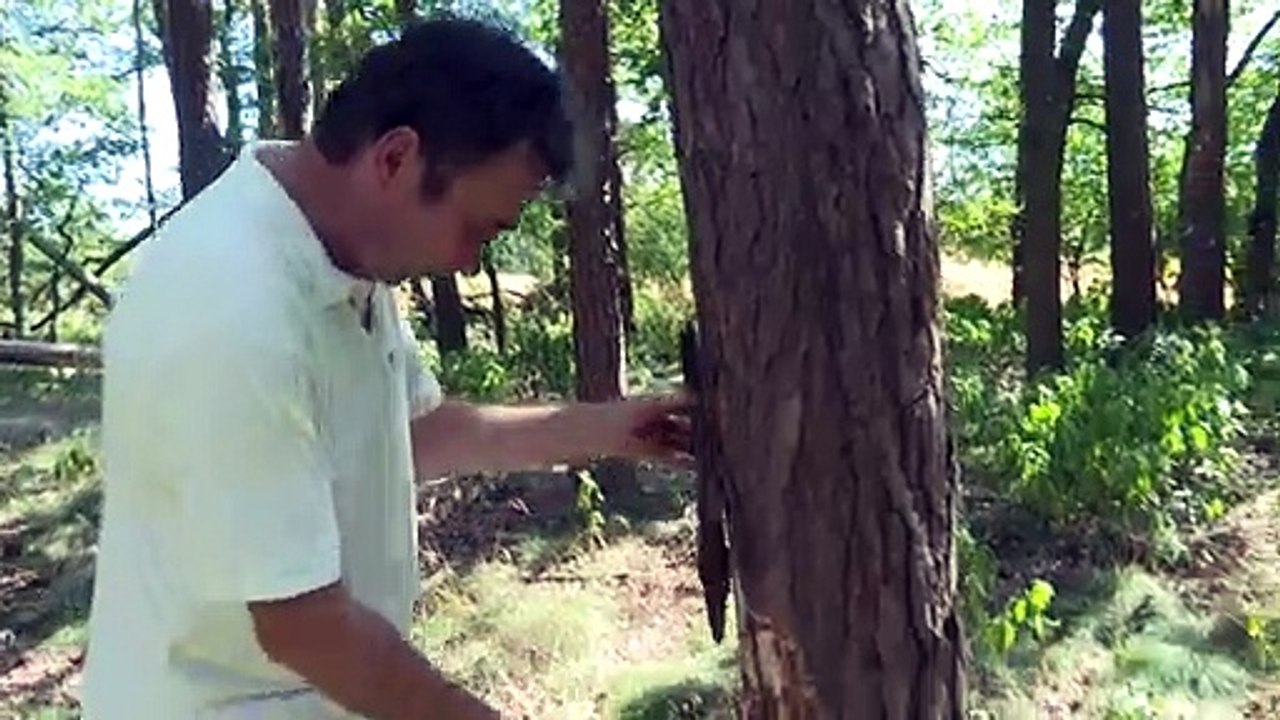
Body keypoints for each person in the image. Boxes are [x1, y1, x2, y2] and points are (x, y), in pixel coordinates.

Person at [80, 16, 691, 720]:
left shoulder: (340, 254)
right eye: (476, 229)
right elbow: (304, 628)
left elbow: (412, 434)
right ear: (396, 159)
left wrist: (615, 428)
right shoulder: (234, 308)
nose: (468, 261)